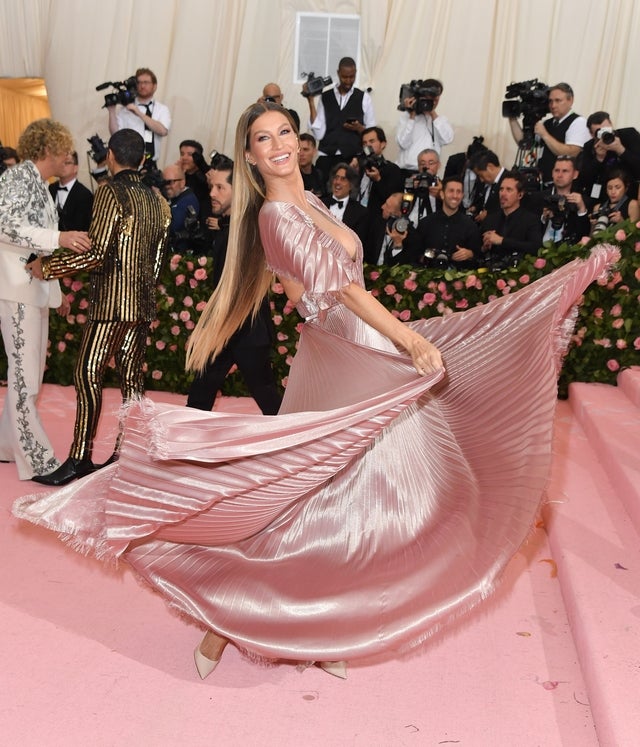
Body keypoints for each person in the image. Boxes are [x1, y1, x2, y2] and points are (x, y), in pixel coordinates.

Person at [13, 103, 618, 683]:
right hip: (348, 357)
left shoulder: (314, 203)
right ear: (250, 159)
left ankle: (312, 627)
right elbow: (342, 288)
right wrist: (406, 340)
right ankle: (227, 620)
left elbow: (310, 284)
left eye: (283, 134)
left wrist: (325, 309)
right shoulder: (274, 215)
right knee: (309, 497)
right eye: (262, 140)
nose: (276, 147)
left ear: (297, 141)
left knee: (344, 499)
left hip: (351, 349)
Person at [27, 129, 171, 487]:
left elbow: (96, 253)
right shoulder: (159, 202)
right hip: (141, 306)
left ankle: (79, 458)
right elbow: (156, 265)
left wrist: (48, 267)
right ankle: (130, 455)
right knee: (131, 380)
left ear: (110, 155)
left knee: (87, 375)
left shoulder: (110, 192)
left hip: (110, 306)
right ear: (141, 159)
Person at [0, 119, 90, 480]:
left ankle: (7, 447)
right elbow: (5, 225)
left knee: (28, 373)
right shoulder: (17, 179)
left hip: (31, 290)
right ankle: (38, 462)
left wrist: (56, 290)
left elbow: (36, 245)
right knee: (26, 378)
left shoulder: (37, 183)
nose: (68, 156)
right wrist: (60, 238)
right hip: (15, 290)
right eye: (64, 150)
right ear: (48, 149)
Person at [186, 155, 282, 416]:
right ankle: (186, 446)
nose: (212, 194)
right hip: (231, 330)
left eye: (220, 188)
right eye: (212, 187)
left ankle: (295, 445)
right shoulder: (232, 229)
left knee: (268, 399)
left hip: (246, 331)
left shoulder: (243, 232)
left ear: (237, 190)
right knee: (201, 393)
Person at [305, 56, 375, 185]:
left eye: (352, 77)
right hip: (327, 158)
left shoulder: (364, 98)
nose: (348, 81)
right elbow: (319, 134)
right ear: (338, 73)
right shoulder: (325, 97)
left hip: (352, 159)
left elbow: (372, 134)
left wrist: (359, 128)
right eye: (344, 77)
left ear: (356, 73)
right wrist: (310, 102)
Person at [508, 82, 590, 185]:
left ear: (570, 100)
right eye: (550, 101)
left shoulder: (578, 122)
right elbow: (525, 145)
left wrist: (545, 135)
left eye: (558, 101)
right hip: (544, 183)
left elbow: (571, 153)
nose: (553, 105)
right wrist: (512, 119)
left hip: (564, 186)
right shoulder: (548, 124)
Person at [107, 67, 171, 167]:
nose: (142, 86)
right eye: (139, 82)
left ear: (154, 86)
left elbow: (163, 131)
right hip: (129, 163)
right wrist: (111, 111)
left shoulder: (162, 109)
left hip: (151, 164)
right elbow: (115, 134)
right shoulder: (125, 109)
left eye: (146, 82)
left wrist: (139, 113)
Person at [416, 176, 482, 269]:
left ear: (462, 196)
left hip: (459, 278)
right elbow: (415, 253)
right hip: (428, 276)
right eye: (451, 191)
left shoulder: (470, 226)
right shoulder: (426, 223)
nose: (455, 196)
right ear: (442, 194)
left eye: (458, 192)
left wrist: (470, 254)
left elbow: (478, 256)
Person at [481, 171, 543, 268]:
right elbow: (479, 249)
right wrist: (484, 247)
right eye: (501, 189)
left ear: (520, 195)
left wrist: (502, 241)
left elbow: (535, 247)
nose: (503, 194)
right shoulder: (490, 219)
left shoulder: (530, 220)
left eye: (509, 190)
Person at [395, 78, 454, 180]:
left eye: (436, 99)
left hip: (430, 173)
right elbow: (402, 143)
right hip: (406, 172)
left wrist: (432, 113)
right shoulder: (406, 117)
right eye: (429, 98)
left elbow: (447, 139)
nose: (433, 102)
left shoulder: (440, 120)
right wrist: (412, 116)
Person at [580, 112, 640, 207]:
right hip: (603, 198)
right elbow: (584, 179)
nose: (605, 135)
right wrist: (599, 159)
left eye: (607, 130)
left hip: (631, 195)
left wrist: (621, 150)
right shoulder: (589, 147)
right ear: (591, 134)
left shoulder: (628, 135)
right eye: (599, 132)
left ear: (611, 124)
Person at [527, 156, 590, 245]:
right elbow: (527, 231)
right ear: (552, 173)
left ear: (575, 174)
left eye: (565, 171)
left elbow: (584, 236)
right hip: (539, 250)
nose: (560, 175)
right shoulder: (538, 198)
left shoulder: (582, 201)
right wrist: (543, 218)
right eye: (557, 171)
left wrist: (582, 210)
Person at [357, 126, 403, 214]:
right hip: (357, 216)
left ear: (383, 144)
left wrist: (378, 180)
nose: (368, 145)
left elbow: (393, 200)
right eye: (364, 143)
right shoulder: (359, 165)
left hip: (377, 217)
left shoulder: (392, 169)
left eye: (371, 141)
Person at [322, 162, 369, 245]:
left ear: (351, 185)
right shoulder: (319, 203)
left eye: (343, 179)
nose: (337, 182)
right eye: (336, 178)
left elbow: (357, 244)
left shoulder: (360, 213)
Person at [161, 163, 202, 253]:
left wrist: (159, 201)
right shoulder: (175, 198)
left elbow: (173, 226)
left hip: (179, 253)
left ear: (182, 182)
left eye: (170, 182)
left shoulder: (188, 200)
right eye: (164, 182)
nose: (167, 186)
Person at [49, 151, 94, 231]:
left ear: (75, 168)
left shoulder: (84, 195)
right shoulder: (50, 189)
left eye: (67, 162)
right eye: (61, 162)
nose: (63, 165)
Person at [590, 168, 640, 236]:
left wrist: (621, 222)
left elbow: (635, 234)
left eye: (618, 187)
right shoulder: (598, 207)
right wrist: (594, 225)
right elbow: (591, 237)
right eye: (610, 188)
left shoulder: (632, 205)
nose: (613, 192)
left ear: (626, 188)